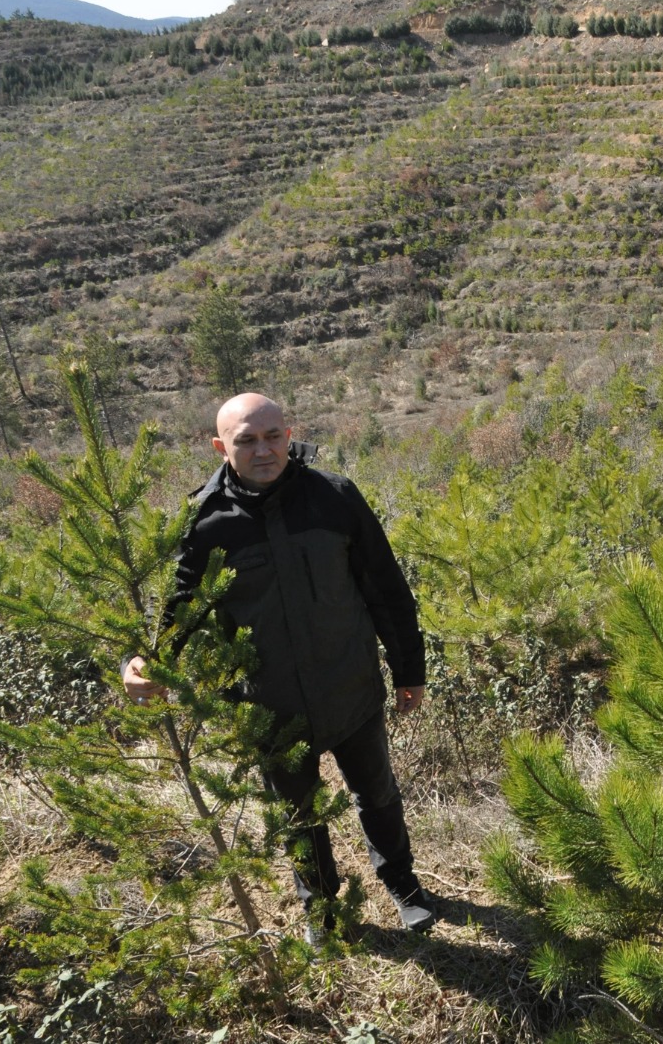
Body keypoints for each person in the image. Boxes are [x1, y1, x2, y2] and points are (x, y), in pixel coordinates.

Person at [122, 393, 438, 939]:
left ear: (289, 435)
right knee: (299, 814)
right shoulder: (205, 522)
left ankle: (405, 888)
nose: (263, 450)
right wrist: (150, 663)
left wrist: (408, 669)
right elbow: (183, 607)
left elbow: (385, 587)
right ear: (222, 447)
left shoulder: (334, 497)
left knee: (378, 793)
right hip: (270, 703)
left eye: (273, 436)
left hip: (351, 687)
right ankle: (321, 910)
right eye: (246, 440)